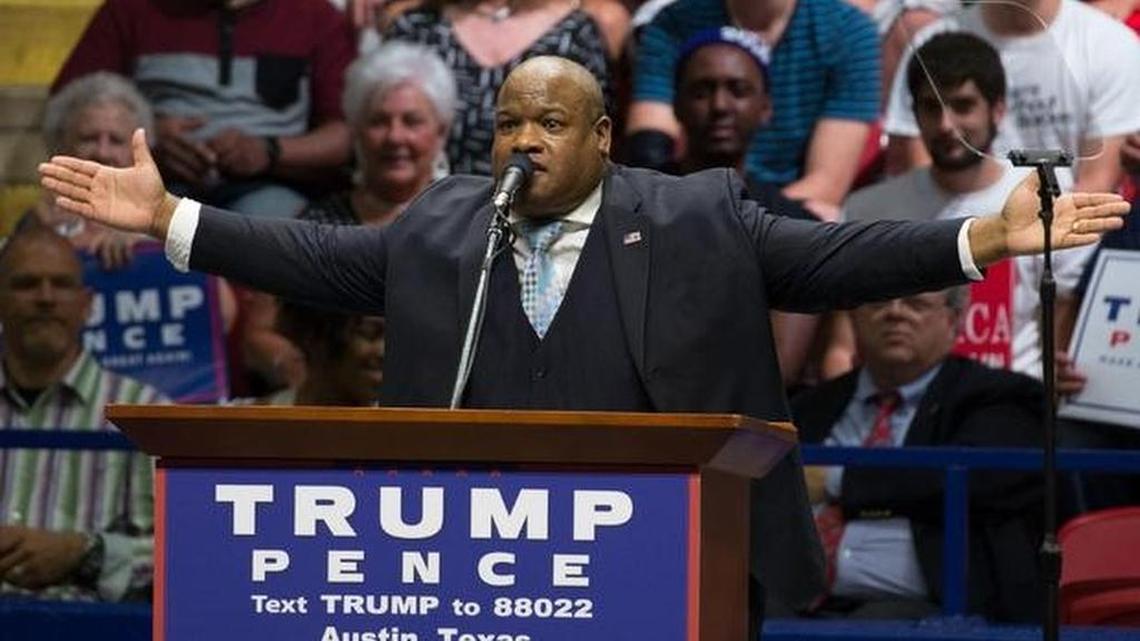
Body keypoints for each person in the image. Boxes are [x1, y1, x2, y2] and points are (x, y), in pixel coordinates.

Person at [37, 56, 1128, 627]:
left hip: (678, 562)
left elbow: (830, 265)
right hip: (495, 573)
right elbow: (318, 263)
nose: (523, 140)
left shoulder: (701, 213)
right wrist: (170, 218)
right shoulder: (443, 227)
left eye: (549, 123)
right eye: (509, 121)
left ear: (602, 137)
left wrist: (981, 234)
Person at [846, 32, 1092, 384]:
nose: (947, 126)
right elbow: (842, 346)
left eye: (962, 106)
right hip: (897, 409)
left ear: (998, 110)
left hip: (1008, 405)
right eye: (932, 107)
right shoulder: (868, 209)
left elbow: (1064, 319)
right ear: (913, 114)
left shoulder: (1044, 195)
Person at [794, 287, 1045, 622]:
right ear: (853, 316)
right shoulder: (811, 406)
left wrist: (835, 480)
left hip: (925, 605)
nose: (895, 313)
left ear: (954, 320)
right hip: (795, 598)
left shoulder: (997, 396)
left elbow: (970, 477)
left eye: (916, 304)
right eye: (879, 301)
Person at [52, 0, 355, 217]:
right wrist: (149, 138)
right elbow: (69, 107)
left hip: (270, 187)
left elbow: (344, 134)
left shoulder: (315, 16)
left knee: (275, 239)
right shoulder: (132, 10)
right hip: (155, 184)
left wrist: (270, 152)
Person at [0, 224, 165, 601]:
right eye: (26, 284)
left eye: (61, 284)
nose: (45, 298)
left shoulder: (145, 414)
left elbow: (183, 553)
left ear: (87, 304)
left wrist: (85, 553)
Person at [669, 26, 826, 387]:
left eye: (738, 90)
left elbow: (778, 368)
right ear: (676, 104)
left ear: (765, 107)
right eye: (701, 90)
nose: (720, 105)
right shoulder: (628, 201)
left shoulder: (795, 224)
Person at [627, 0, 881, 214]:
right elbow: (648, 157)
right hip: (683, 203)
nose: (720, 106)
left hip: (788, 217)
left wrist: (743, 221)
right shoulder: (674, 23)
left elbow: (826, 184)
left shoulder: (849, 32)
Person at [882, 0, 1140, 194]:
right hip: (958, 245)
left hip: (1069, 250)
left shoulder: (1110, 46)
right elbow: (923, 175)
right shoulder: (933, 43)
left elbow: (1097, 185)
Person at [384, 0, 611, 176]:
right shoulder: (416, 27)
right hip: (433, 213)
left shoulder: (575, 34)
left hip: (542, 216)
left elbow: (591, 146)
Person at [29, 72, 154, 269]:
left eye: (116, 140)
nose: (103, 153)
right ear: (60, 147)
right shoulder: (34, 228)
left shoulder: (163, 231)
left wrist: (141, 246)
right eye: (88, 139)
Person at [239, 304, 384, 406]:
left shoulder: (397, 433)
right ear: (316, 337)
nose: (384, 351)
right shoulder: (243, 428)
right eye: (369, 332)